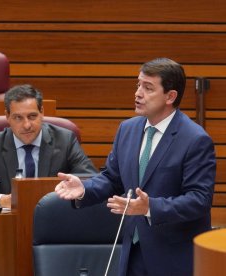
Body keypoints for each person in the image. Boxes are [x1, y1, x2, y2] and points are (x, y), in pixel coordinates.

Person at [55, 58, 216, 276]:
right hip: (133, 253)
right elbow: (112, 178)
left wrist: (150, 208)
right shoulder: (127, 129)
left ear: (170, 96)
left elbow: (199, 200)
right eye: (138, 85)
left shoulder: (195, 139)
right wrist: (85, 189)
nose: (138, 93)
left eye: (148, 88)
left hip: (174, 258)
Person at [0, 84, 98, 207]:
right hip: (7, 224)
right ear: (7, 116)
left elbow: (92, 181)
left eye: (32, 116)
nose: (27, 125)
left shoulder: (65, 140)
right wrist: (0, 200)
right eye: (18, 118)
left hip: (54, 220)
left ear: (42, 112)